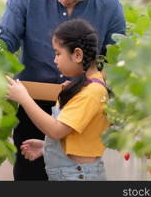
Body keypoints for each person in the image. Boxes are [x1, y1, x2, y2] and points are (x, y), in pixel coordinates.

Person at [0, 0, 126, 180]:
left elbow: (115, 62)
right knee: (30, 176)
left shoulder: (110, 6)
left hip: (81, 108)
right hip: (34, 105)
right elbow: (6, 40)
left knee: (74, 172)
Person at [6, 19, 109, 180]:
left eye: (58, 53)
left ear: (77, 54)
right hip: (75, 173)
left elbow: (56, 130)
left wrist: (24, 99)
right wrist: (47, 147)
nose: (55, 60)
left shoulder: (91, 92)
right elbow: (77, 136)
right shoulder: (88, 86)